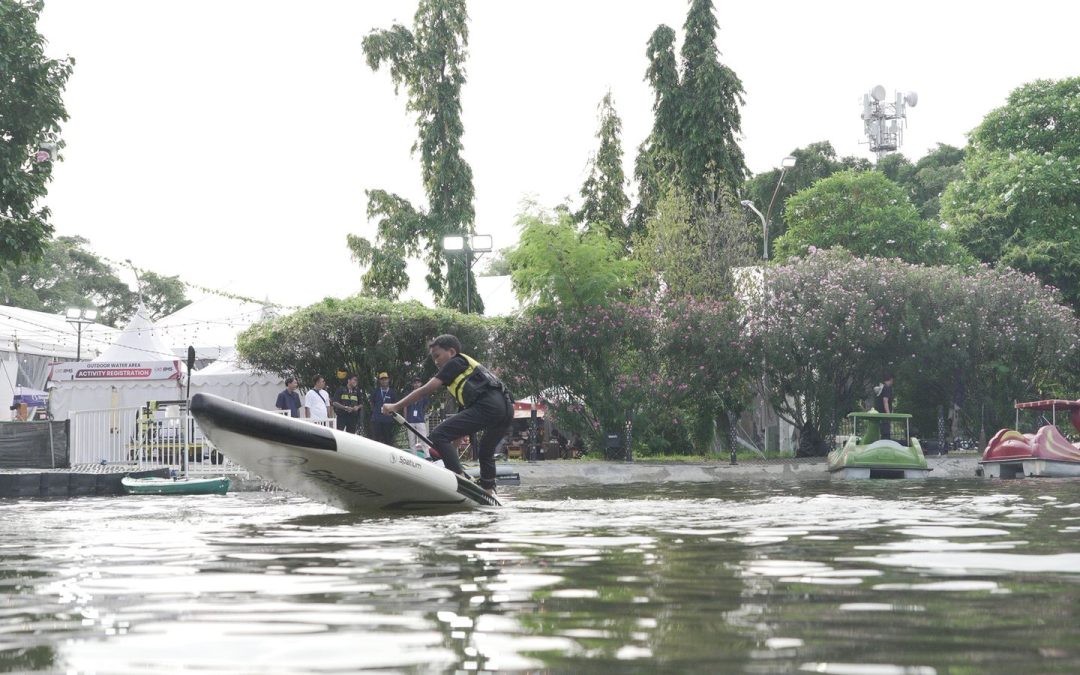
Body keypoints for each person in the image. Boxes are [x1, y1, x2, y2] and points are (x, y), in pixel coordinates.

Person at [382, 334, 513, 495]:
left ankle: (459, 480)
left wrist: (396, 406)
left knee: (438, 434)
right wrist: (451, 451)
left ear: (451, 352)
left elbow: (424, 390)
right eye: (433, 358)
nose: (436, 362)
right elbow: (461, 423)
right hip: (505, 409)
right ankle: (487, 489)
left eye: (437, 356)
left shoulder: (455, 362)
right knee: (485, 451)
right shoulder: (466, 376)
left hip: (489, 406)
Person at [404, 376, 430, 455]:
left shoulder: (423, 394)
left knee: (423, 439)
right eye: (414, 382)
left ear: (421, 384)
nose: (416, 384)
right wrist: (405, 419)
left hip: (420, 420)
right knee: (412, 441)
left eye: (418, 382)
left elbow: (426, 406)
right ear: (412, 384)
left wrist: (422, 414)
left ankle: (427, 456)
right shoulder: (409, 394)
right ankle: (414, 457)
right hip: (410, 420)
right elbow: (405, 406)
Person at [370, 371, 398, 446]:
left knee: (388, 441)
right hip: (377, 420)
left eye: (385, 379)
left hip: (388, 420)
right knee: (376, 441)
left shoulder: (392, 392)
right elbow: (372, 403)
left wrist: (390, 414)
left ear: (388, 380)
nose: (384, 381)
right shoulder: (375, 391)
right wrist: (375, 412)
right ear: (379, 381)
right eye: (382, 379)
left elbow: (395, 405)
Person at [874, 373, 895, 440]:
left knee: (882, 430)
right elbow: (885, 401)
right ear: (891, 379)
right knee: (886, 431)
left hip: (880, 412)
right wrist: (888, 414)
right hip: (884, 414)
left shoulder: (882, 388)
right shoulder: (887, 388)